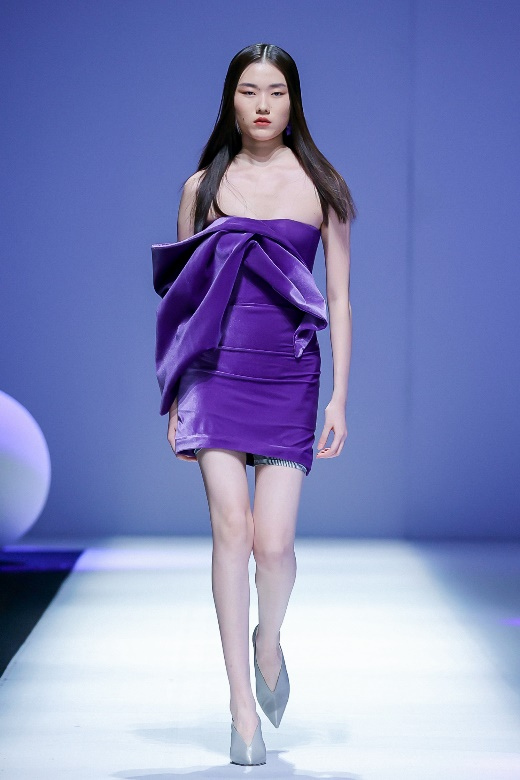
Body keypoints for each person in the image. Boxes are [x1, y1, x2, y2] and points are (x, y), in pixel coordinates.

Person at [152, 42, 356, 766]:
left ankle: (268, 640)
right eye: (248, 90)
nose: (262, 104)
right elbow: (183, 303)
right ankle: (242, 707)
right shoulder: (201, 188)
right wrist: (176, 395)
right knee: (231, 531)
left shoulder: (322, 186)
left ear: (293, 102)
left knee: (274, 545)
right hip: (213, 375)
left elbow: (339, 298)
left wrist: (340, 398)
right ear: (230, 100)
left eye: (275, 91)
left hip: (290, 376)